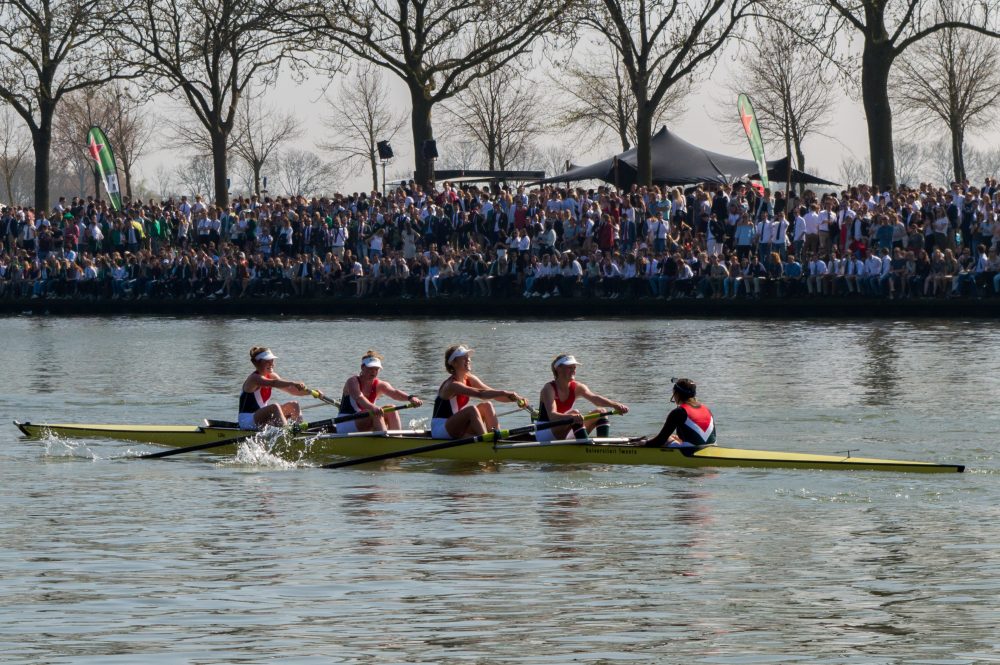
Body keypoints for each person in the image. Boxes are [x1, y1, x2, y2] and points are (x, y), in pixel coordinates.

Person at [431, 345, 525, 439]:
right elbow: (481, 394)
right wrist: (504, 392)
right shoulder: (452, 385)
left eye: (468, 357)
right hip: (440, 430)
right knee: (471, 409)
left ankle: (498, 439)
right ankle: (486, 443)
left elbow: (492, 394)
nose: (468, 360)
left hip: (456, 426)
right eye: (463, 358)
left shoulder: (469, 378)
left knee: (487, 405)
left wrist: (517, 399)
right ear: (454, 363)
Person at [535, 354, 628, 442]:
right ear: (558, 369)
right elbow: (552, 416)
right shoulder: (549, 388)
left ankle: (603, 446)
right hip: (545, 431)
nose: (573, 370)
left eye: (574, 368)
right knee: (575, 413)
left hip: (566, 427)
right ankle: (586, 447)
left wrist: (615, 405)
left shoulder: (577, 387)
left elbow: (595, 399)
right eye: (569, 367)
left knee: (602, 412)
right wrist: (572, 416)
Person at [338, 350, 423, 433]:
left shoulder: (380, 384)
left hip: (365, 417)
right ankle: (385, 440)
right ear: (362, 367)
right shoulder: (352, 381)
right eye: (370, 368)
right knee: (374, 413)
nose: (373, 372)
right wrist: (373, 407)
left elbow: (395, 393)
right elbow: (359, 398)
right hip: (345, 422)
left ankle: (397, 438)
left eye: (376, 369)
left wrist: (410, 398)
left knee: (391, 409)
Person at [238, 346, 316, 429]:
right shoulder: (254, 378)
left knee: (294, 405)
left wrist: (313, 392)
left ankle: (299, 430)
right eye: (267, 361)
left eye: (272, 360)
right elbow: (274, 383)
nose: (272, 364)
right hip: (247, 421)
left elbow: (293, 391)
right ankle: (287, 432)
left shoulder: (272, 376)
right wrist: (293, 383)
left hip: (261, 417)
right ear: (257, 363)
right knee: (274, 407)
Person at [643, 378, 716, 447]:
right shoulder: (707, 409)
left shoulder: (679, 412)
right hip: (712, 447)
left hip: (690, 451)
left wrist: (644, 443)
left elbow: (660, 441)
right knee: (673, 438)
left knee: (667, 439)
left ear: (676, 394)